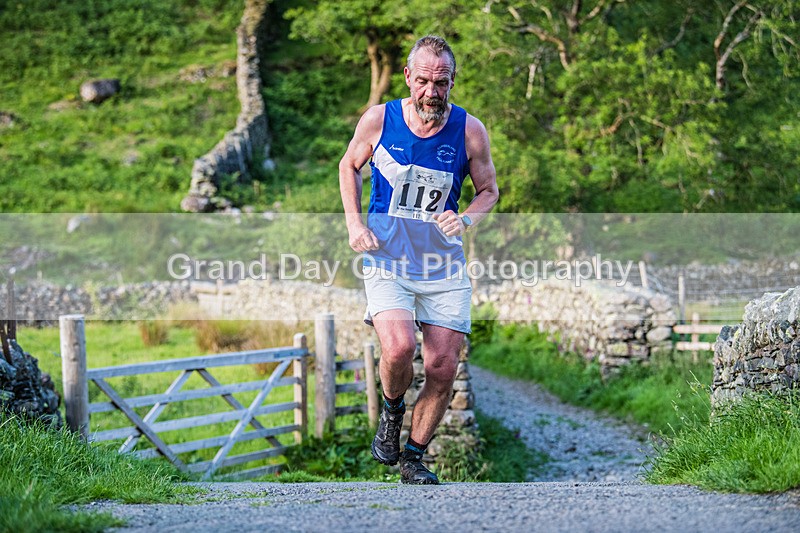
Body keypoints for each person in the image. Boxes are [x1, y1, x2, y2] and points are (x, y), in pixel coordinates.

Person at [339, 35, 498, 484]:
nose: (432, 92)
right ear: (409, 77)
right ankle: (391, 411)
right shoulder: (379, 119)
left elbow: (489, 191)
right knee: (400, 347)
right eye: (424, 81)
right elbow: (348, 165)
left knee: (442, 366)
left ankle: (413, 458)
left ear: (452, 82)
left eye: (441, 83)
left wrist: (465, 219)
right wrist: (355, 224)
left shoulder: (470, 131)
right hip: (387, 257)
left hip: (443, 265)